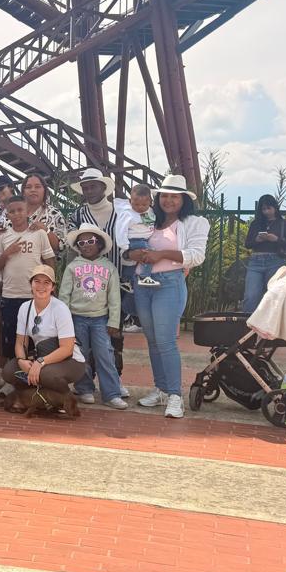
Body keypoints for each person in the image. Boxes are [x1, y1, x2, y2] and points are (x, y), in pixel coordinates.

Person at [125, 175, 209, 419]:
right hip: (142, 284)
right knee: (152, 341)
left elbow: (196, 255)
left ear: (183, 199)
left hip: (168, 284)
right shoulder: (149, 218)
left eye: (174, 196)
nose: (168, 200)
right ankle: (161, 389)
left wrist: (161, 255)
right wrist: (132, 254)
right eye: (164, 195)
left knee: (166, 341)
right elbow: (127, 245)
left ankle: (175, 395)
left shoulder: (194, 222)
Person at [3, 265, 87, 413]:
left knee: (46, 374)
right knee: (10, 372)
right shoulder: (25, 308)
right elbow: (20, 342)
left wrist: (40, 363)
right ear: (31, 284)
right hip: (42, 357)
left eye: (46, 282)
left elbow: (67, 349)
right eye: (37, 281)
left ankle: (66, 400)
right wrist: (22, 360)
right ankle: (41, 398)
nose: (41, 286)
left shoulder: (60, 309)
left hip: (70, 360)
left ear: (53, 287)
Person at [0, 197, 56, 378]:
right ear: (7, 214)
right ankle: (13, 378)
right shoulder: (2, 236)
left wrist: (51, 286)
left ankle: (35, 376)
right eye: (12, 211)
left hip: (34, 296)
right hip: (10, 296)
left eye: (20, 210)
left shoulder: (39, 234)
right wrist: (7, 253)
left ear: (27, 212)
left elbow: (49, 260)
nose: (16, 214)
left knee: (36, 338)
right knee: (12, 339)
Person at [62, 225, 126, 409]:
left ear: (99, 244)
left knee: (105, 354)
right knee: (80, 355)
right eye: (81, 243)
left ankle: (111, 393)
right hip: (77, 318)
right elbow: (64, 295)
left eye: (90, 241)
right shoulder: (72, 267)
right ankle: (84, 389)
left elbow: (114, 298)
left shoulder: (109, 268)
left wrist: (114, 321)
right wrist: (64, 320)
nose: (86, 245)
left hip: (100, 319)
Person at [241, 194, 286, 314]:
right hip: (256, 261)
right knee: (251, 296)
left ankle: (271, 323)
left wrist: (276, 239)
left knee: (274, 296)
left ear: (275, 207)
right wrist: (257, 240)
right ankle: (247, 322)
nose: (266, 212)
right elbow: (248, 244)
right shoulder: (256, 223)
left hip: (275, 261)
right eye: (263, 209)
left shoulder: (284, 224)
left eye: (269, 208)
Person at [112, 184, 154, 332]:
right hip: (134, 240)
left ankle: (130, 280)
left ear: (150, 202)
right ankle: (142, 278)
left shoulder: (150, 212)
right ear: (130, 201)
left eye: (144, 204)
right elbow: (120, 229)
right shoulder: (127, 213)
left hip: (145, 240)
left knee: (139, 264)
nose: (140, 207)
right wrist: (124, 247)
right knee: (148, 256)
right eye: (136, 204)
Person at [19, 173, 67, 253]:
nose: (33, 190)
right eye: (28, 187)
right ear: (23, 192)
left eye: (37, 186)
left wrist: (46, 231)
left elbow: (60, 246)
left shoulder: (54, 214)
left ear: (44, 191)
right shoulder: (12, 212)